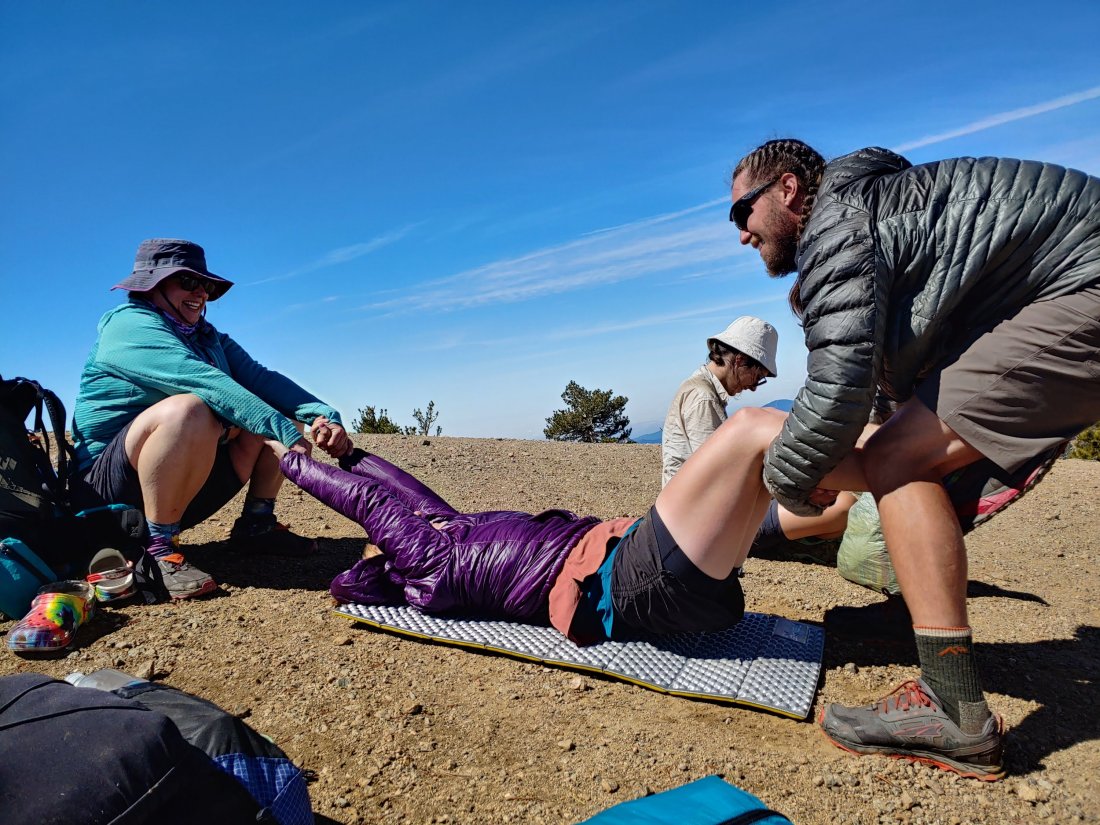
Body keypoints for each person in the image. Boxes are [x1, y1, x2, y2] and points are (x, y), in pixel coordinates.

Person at [730, 138, 1100, 780]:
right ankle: (915, 618)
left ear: (787, 190)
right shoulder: (882, 211)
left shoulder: (838, 225)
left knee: (900, 459)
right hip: (1073, 281)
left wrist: (786, 477)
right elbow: (894, 373)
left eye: (742, 212)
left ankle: (953, 710)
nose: (741, 234)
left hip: (1084, 284)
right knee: (908, 449)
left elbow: (837, 387)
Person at [269, 406, 867, 646]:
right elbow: (370, 506)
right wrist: (289, 459)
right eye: (377, 546)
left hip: (638, 561)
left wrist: (349, 452)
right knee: (749, 430)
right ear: (381, 563)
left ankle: (888, 487)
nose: (386, 534)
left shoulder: (445, 534)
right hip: (628, 580)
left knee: (831, 505)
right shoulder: (428, 564)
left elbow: (400, 491)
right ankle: (903, 459)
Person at [71, 239, 351, 602]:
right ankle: (158, 552)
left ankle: (257, 525)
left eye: (206, 285)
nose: (201, 292)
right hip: (108, 498)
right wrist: (283, 433)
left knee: (274, 408)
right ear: (152, 285)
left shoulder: (207, 336)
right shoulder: (127, 327)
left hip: (176, 484)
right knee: (190, 409)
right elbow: (204, 381)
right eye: (188, 281)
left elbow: (261, 378)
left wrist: (323, 416)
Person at [661, 316, 778, 487]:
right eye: (757, 377)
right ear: (739, 361)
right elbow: (717, 472)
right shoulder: (703, 397)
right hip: (695, 501)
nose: (754, 387)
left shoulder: (704, 389)